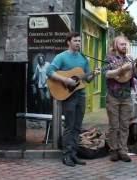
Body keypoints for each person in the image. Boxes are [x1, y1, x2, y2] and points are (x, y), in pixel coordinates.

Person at [46, 32, 95, 167]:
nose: (78, 43)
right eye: (75, 40)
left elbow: (87, 79)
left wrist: (94, 74)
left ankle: (74, 154)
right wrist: (65, 79)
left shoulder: (84, 59)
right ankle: (66, 155)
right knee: (69, 126)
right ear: (69, 42)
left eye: (79, 41)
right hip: (68, 95)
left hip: (81, 95)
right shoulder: (61, 57)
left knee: (77, 127)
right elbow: (49, 71)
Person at [105, 35, 137, 162]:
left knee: (125, 125)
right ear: (116, 45)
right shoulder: (109, 58)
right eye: (122, 44)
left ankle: (123, 150)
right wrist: (121, 69)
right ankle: (113, 150)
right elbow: (107, 74)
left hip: (126, 96)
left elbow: (136, 75)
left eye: (125, 44)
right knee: (114, 126)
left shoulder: (130, 59)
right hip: (113, 96)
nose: (124, 46)